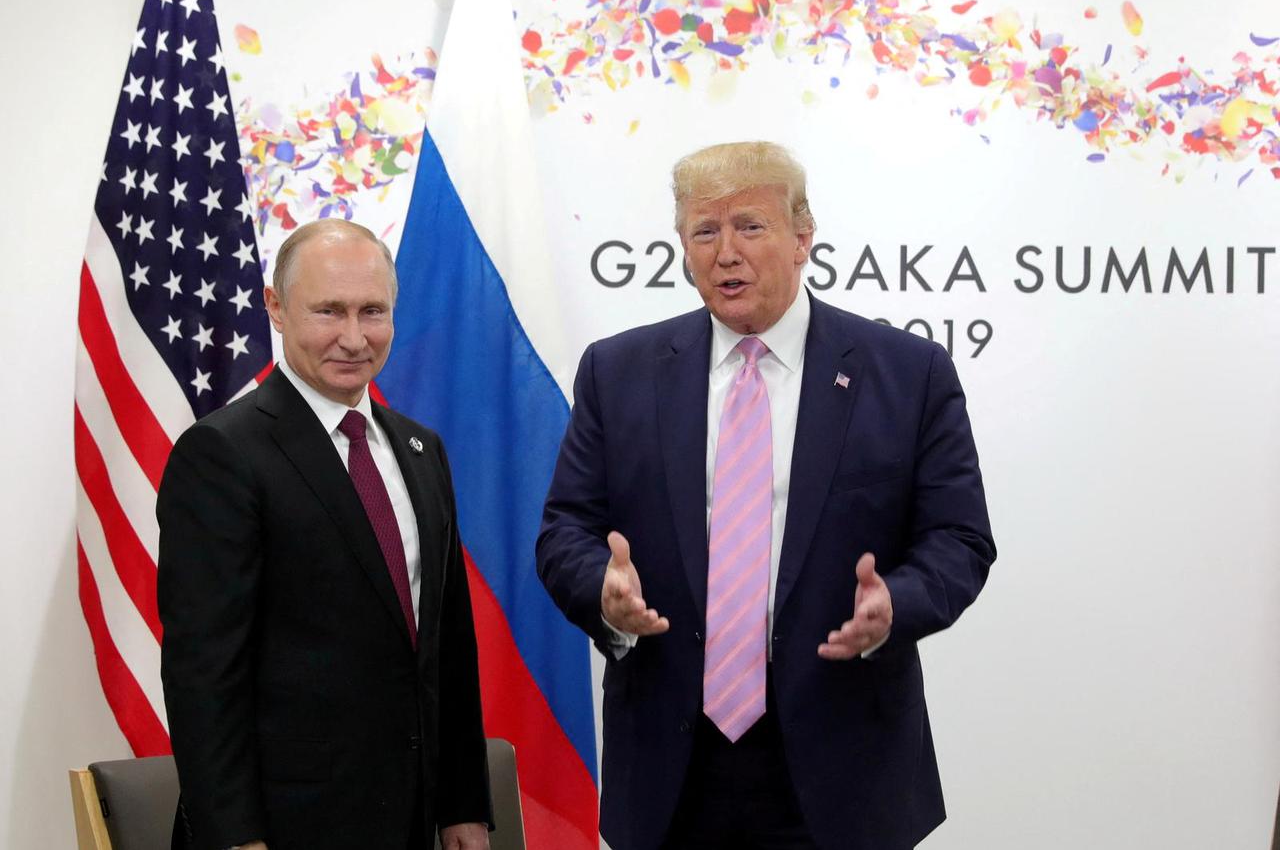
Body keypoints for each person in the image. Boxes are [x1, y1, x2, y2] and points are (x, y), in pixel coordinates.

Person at [537, 142, 995, 850]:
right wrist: (602, 588)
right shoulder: (618, 372)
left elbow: (958, 539)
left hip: (845, 764)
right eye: (704, 231)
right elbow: (565, 528)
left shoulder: (906, 374)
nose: (726, 253)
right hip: (670, 765)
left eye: (750, 226)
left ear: (802, 236)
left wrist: (895, 603)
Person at [158, 219, 491, 850]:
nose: (354, 337)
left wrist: (462, 805)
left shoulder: (422, 449)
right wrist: (234, 837)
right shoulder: (222, 453)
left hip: (416, 820)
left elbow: (447, 647)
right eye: (328, 311)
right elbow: (204, 674)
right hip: (286, 828)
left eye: (373, 311)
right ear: (276, 309)